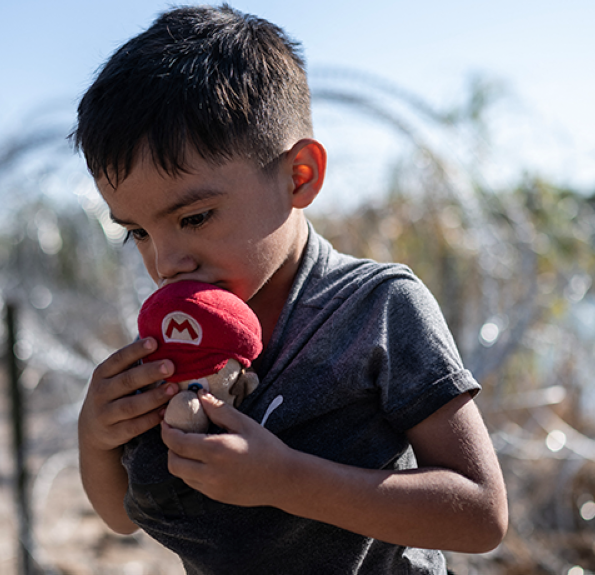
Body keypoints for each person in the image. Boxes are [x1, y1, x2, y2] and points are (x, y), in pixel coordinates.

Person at [72, 4, 508, 574]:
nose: (166, 263)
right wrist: (96, 434)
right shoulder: (180, 339)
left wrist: (286, 481)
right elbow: (122, 517)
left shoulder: (374, 308)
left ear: (298, 175)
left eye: (196, 217)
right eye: (137, 234)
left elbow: (481, 515)